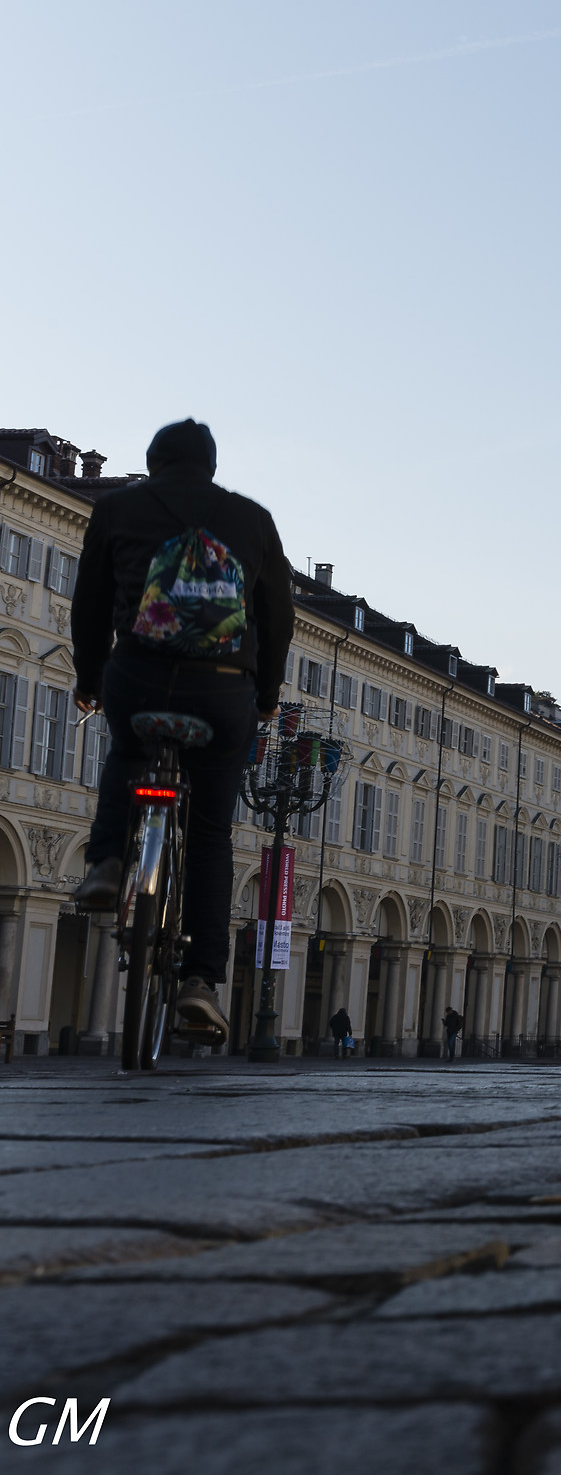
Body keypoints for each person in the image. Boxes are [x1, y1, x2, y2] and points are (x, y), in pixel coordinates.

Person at [70, 421, 293, 1049]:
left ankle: (107, 864)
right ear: (212, 466)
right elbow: (279, 617)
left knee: (128, 750)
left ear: (152, 461)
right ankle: (200, 981)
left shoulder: (116, 508)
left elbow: (88, 606)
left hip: (137, 676)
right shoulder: (251, 520)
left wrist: (91, 678)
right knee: (212, 836)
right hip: (224, 690)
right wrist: (266, 696)